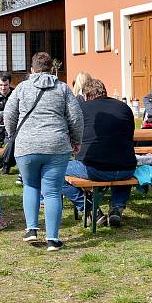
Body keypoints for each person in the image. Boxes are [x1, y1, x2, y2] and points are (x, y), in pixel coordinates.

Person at [3, 52, 83, 252]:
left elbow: (9, 113)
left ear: (32, 69)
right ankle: (53, 239)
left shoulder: (22, 88)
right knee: (53, 191)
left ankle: (31, 229)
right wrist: (76, 140)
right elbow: (76, 118)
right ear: (51, 69)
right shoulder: (63, 88)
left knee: (30, 185)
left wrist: (14, 134)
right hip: (56, 144)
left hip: (26, 145)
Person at [62, 79, 136, 228]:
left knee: (53, 170)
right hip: (127, 170)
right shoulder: (124, 107)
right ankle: (117, 207)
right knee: (120, 158)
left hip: (95, 169)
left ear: (87, 95)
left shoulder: (82, 108)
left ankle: (90, 209)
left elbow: (70, 133)